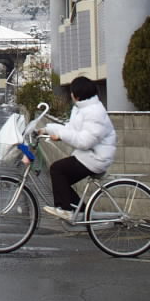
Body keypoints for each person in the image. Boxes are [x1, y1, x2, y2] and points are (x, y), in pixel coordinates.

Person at [41, 75, 116, 222]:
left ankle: (66, 210)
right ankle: (80, 211)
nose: (70, 94)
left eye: (72, 91)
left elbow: (84, 142)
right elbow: (70, 129)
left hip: (96, 158)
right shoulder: (82, 109)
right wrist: (46, 129)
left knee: (57, 169)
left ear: (77, 94)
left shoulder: (94, 112)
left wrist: (61, 136)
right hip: (89, 155)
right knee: (62, 177)